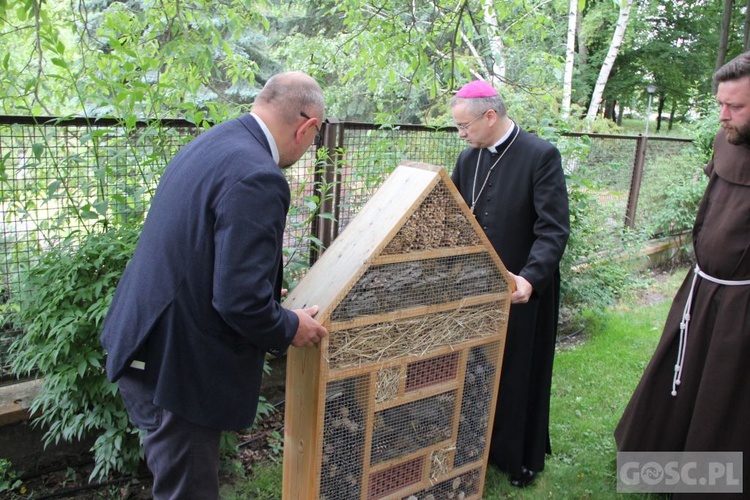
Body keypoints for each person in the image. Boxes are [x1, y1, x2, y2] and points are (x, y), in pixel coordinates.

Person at [99, 71, 328, 499]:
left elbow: (199, 250)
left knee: (175, 475)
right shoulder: (260, 176)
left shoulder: (216, 142)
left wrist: (260, 292)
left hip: (148, 343)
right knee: (187, 489)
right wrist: (288, 326)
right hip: (178, 365)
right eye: (314, 138)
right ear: (307, 126)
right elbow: (238, 300)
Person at [615, 52, 750, 493]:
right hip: (702, 290)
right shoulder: (723, 138)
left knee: (722, 401)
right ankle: (664, 472)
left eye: (736, 107)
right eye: (721, 104)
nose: (724, 115)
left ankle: (705, 486)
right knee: (678, 386)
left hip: (742, 305)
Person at [449, 80, 570, 488]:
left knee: (517, 373)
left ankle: (517, 458)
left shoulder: (540, 155)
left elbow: (553, 230)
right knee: (475, 372)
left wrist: (530, 278)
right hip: (475, 287)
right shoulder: (469, 159)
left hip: (521, 290)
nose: (461, 135)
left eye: (465, 126)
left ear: (490, 115)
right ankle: (472, 448)